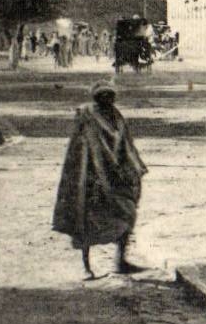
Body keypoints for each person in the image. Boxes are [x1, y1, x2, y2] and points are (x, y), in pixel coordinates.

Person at [52, 84, 147, 279]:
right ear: (96, 98)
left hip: (116, 176)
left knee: (127, 212)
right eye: (103, 96)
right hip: (91, 177)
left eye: (110, 96)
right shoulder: (87, 118)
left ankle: (120, 261)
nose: (107, 99)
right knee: (86, 221)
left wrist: (134, 167)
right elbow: (78, 150)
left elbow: (127, 144)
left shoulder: (116, 117)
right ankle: (85, 267)